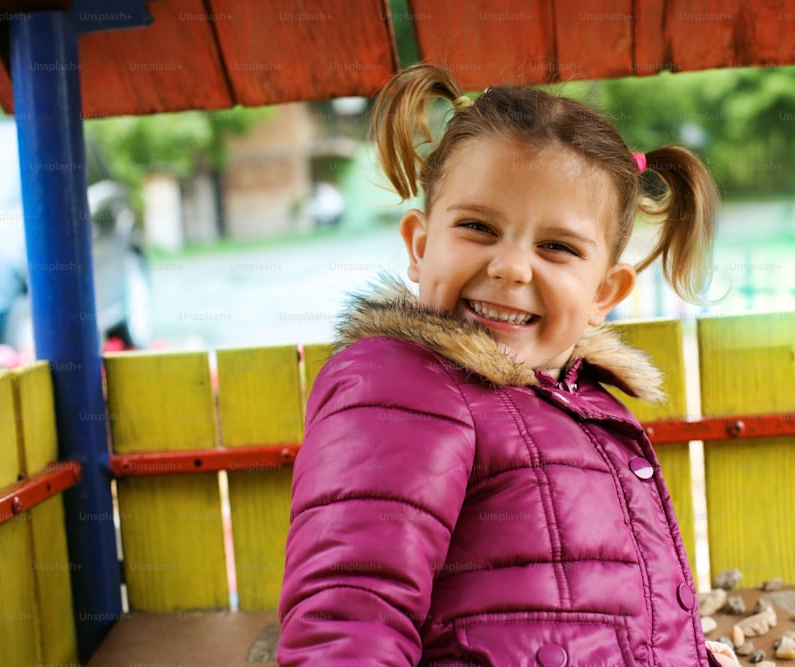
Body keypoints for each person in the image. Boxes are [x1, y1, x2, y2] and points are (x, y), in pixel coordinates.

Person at [278, 63, 738, 667]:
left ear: (605, 292)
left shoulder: (585, 406)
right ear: (420, 246)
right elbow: (351, 615)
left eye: (557, 247)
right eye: (477, 227)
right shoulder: (401, 387)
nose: (511, 268)